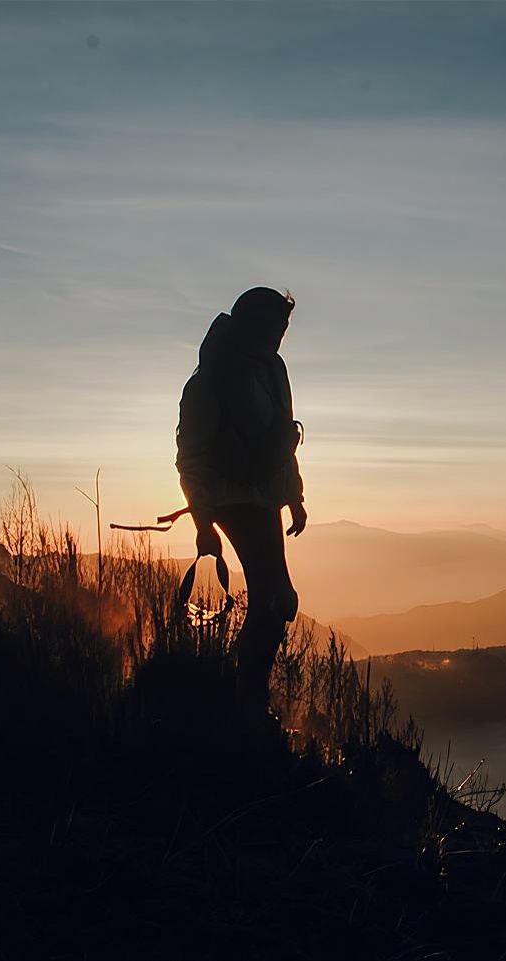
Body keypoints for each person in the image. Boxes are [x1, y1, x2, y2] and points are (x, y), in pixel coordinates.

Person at [175, 286, 307, 726]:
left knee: (277, 600)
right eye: (274, 327)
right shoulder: (212, 379)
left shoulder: (272, 370)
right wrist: (202, 522)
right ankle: (246, 704)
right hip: (233, 502)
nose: (279, 336)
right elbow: (191, 456)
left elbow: (282, 439)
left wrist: (294, 496)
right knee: (274, 600)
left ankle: (245, 695)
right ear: (252, 324)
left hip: (264, 499)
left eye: (283, 328)